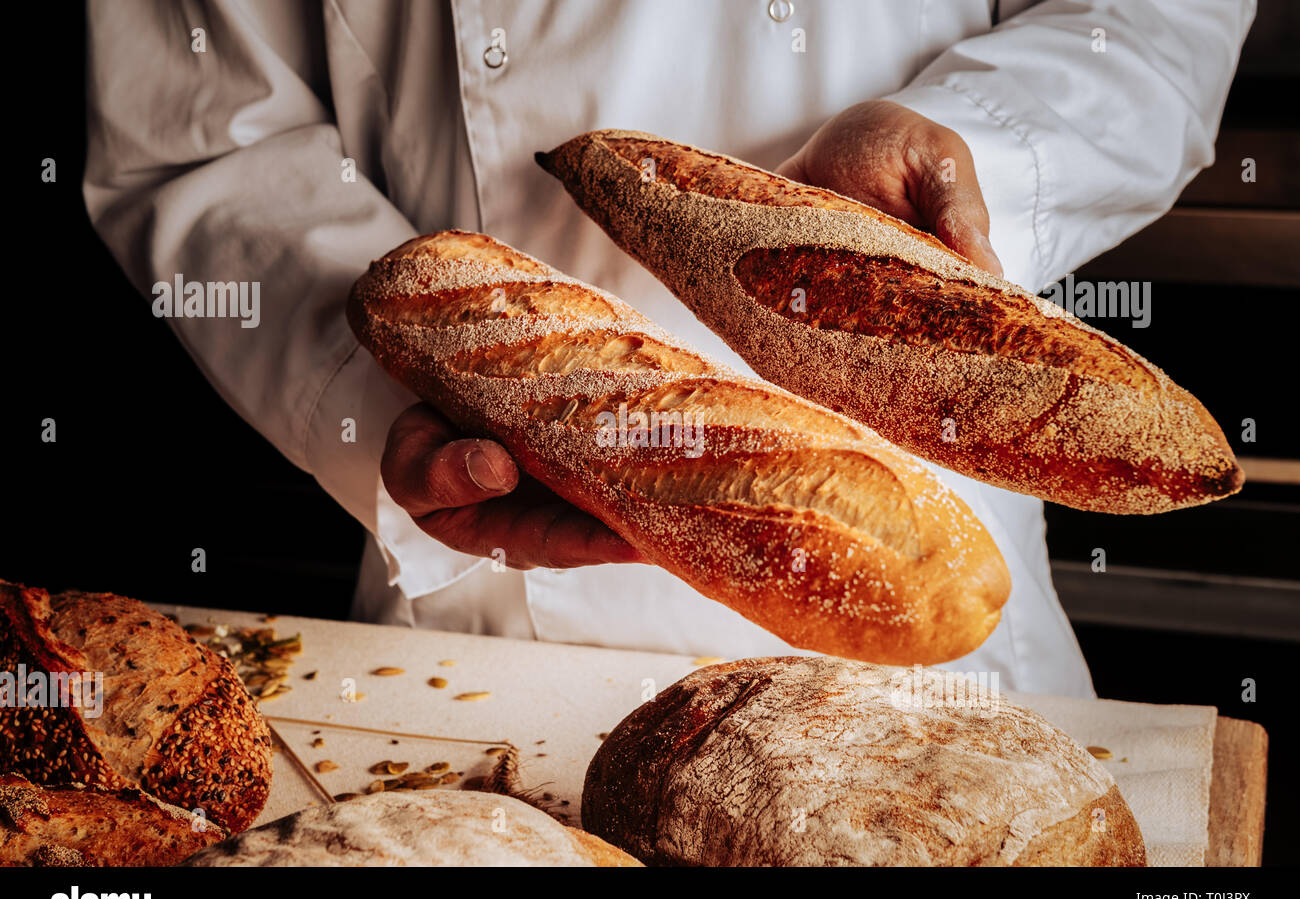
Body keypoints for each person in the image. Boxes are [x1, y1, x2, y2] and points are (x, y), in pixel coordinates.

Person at [83, 0, 1255, 695]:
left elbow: (1163, 16)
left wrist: (969, 169)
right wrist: (375, 397)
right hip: (482, 604)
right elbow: (198, 140)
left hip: (923, 579)